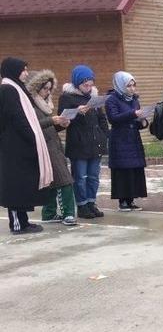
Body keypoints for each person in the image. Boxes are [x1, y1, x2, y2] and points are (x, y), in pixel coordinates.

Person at [0, 57, 52, 234]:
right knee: (14, 187)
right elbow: (17, 118)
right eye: (23, 69)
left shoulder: (17, 89)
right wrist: (33, 136)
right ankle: (16, 224)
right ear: (14, 70)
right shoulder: (8, 90)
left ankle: (24, 222)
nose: (26, 73)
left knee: (22, 186)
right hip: (13, 147)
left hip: (20, 146)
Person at [27, 70, 76, 226]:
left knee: (53, 181)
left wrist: (60, 125)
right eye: (45, 88)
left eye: (49, 88)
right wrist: (52, 120)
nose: (47, 92)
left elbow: (48, 127)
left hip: (54, 146)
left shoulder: (45, 105)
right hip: (44, 148)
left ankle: (48, 213)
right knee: (65, 180)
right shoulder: (31, 106)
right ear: (36, 89)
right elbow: (32, 126)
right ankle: (68, 213)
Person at [58, 65, 108, 219]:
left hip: (95, 142)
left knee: (94, 176)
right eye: (85, 85)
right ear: (77, 83)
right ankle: (82, 205)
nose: (88, 88)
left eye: (91, 84)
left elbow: (101, 118)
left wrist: (104, 135)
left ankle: (91, 202)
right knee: (80, 177)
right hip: (79, 143)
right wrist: (78, 112)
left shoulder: (94, 97)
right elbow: (63, 119)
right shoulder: (67, 97)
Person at [105, 71, 148, 211]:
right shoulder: (111, 99)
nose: (132, 88)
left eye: (133, 85)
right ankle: (122, 200)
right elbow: (113, 118)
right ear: (120, 85)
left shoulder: (134, 100)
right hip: (120, 139)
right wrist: (133, 114)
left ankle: (131, 199)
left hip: (133, 138)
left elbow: (136, 119)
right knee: (123, 170)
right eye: (128, 86)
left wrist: (142, 121)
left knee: (134, 169)